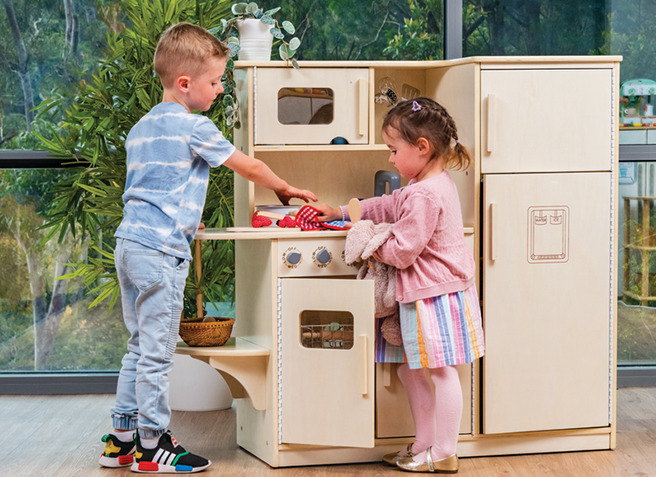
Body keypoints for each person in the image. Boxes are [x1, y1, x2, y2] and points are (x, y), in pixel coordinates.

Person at [98, 22, 317, 474]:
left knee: (138, 347)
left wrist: (183, 216)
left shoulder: (141, 129)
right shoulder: (194, 126)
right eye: (215, 81)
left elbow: (153, 186)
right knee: (157, 355)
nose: (219, 89)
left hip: (129, 245)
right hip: (160, 254)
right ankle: (152, 446)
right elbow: (248, 165)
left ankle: (120, 440)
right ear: (185, 84)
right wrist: (284, 187)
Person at [315, 97, 484, 474]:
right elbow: (390, 205)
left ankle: (443, 451)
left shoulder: (425, 193)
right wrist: (346, 212)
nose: (390, 159)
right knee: (411, 370)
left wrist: (367, 241)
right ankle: (424, 443)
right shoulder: (423, 184)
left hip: (436, 296)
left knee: (442, 372)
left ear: (422, 148)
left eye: (394, 150)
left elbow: (403, 250)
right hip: (425, 294)